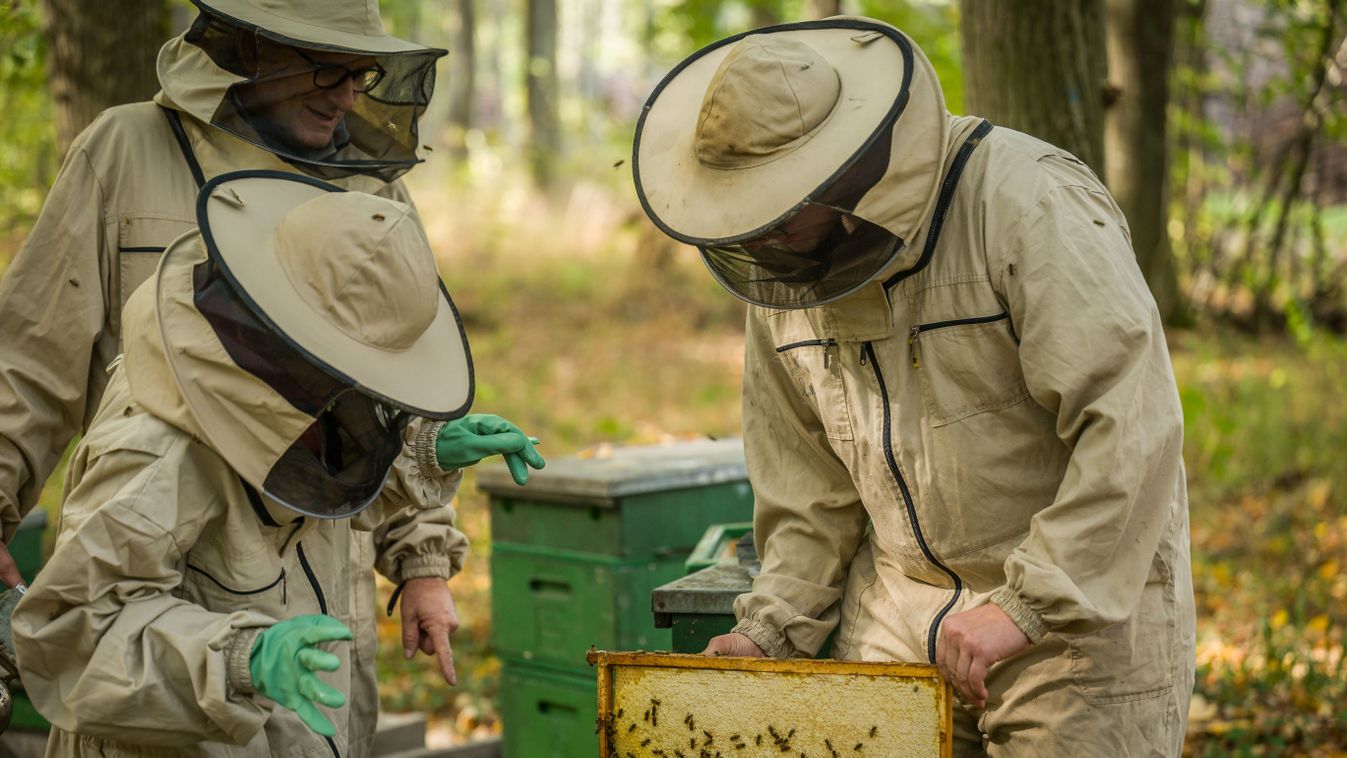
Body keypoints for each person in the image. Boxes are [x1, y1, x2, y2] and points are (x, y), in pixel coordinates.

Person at [632, 18, 1196, 756]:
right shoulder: (782, 271)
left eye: (769, 215)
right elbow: (807, 488)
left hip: (1075, 621)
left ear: (838, 173)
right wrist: (768, 628)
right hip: (893, 611)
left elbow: (1131, 429)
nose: (752, 241)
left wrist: (1026, 605)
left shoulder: (1027, 204)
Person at [0, 1, 523, 749]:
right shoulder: (126, 149)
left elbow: (388, 378)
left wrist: (422, 556)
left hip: (323, 577)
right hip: (158, 565)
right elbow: (28, 354)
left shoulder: (367, 184)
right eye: (324, 65)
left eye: (361, 73)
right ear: (248, 45)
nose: (346, 94)